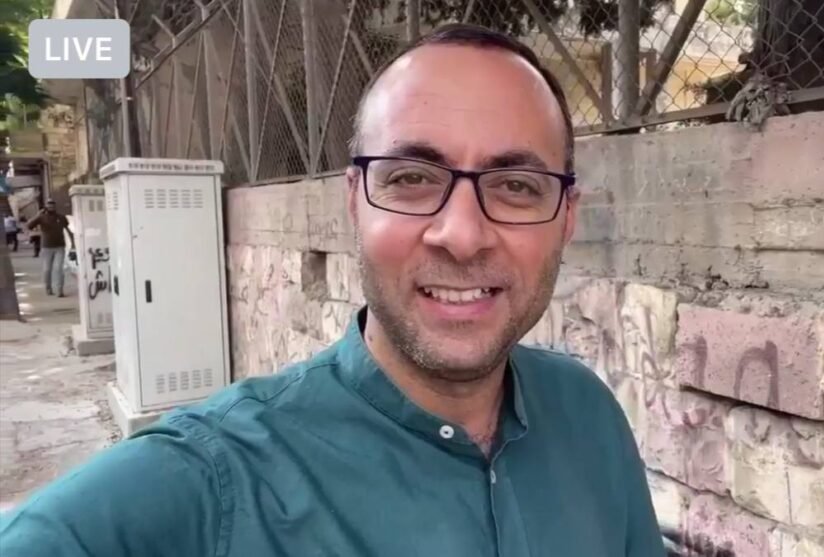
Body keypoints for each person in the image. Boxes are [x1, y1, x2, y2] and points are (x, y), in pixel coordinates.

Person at [0, 24, 663, 556]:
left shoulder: (588, 415)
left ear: (567, 218)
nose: (462, 235)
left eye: (516, 186)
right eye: (411, 178)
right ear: (354, 201)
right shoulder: (215, 483)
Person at [24, 199, 75, 297]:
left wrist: (72, 243)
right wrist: (38, 215)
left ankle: (59, 290)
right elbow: (29, 226)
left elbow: (68, 229)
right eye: (49, 206)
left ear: (55, 207)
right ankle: (48, 288)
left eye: (52, 206)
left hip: (60, 246)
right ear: (46, 207)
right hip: (46, 247)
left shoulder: (61, 217)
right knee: (47, 269)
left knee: (59, 268)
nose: (51, 207)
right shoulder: (41, 217)